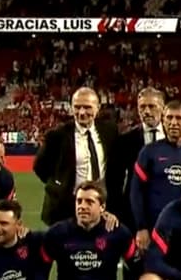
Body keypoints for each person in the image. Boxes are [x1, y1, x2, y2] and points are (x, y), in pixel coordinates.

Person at [33, 87, 121, 225]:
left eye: (87, 107)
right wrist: (58, 185)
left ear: (98, 108)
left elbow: (115, 170)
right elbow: (40, 167)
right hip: (65, 210)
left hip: (101, 208)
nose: (81, 112)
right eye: (77, 107)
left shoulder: (109, 131)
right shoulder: (57, 135)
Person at [131, 100, 181, 253]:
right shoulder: (149, 152)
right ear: (163, 121)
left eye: (179, 118)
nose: (173, 123)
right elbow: (136, 191)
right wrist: (141, 227)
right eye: (169, 118)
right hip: (155, 227)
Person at [111, 87, 166, 227]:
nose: (146, 111)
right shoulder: (125, 141)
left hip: (166, 208)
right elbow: (114, 180)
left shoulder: (174, 138)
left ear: (162, 108)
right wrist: (114, 211)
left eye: (151, 106)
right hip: (133, 212)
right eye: (142, 107)